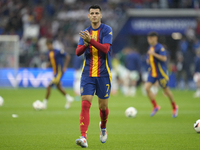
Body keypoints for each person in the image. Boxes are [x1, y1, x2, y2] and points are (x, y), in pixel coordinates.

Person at [75, 4, 112, 148]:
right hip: (87, 74)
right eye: (92, 13)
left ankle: (103, 127)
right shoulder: (85, 32)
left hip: (103, 74)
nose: (95, 15)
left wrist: (90, 41)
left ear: (101, 15)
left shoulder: (107, 30)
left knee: (103, 108)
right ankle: (83, 137)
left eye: (97, 13)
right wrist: (85, 44)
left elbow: (105, 49)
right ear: (89, 16)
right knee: (85, 103)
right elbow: (78, 52)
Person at [145, 32, 178, 118]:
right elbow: (150, 58)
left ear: (155, 38)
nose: (149, 40)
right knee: (147, 88)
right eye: (148, 38)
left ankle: (174, 107)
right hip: (153, 72)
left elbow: (164, 58)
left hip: (161, 72)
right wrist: (148, 60)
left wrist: (153, 54)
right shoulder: (150, 47)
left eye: (151, 38)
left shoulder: (160, 48)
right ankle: (155, 106)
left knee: (166, 91)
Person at [42, 39, 74, 109]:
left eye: (49, 45)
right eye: (47, 46)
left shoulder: (58, 51)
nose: (48, 47)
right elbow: (51, 61)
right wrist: (48, 64)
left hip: (59, 72)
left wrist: (65, 67)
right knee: (58, 87)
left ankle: (44, 104)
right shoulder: (48, 53)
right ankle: (69, 98)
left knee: (49, 86)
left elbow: (68, 56)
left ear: (51, 44)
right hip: (55, 72)